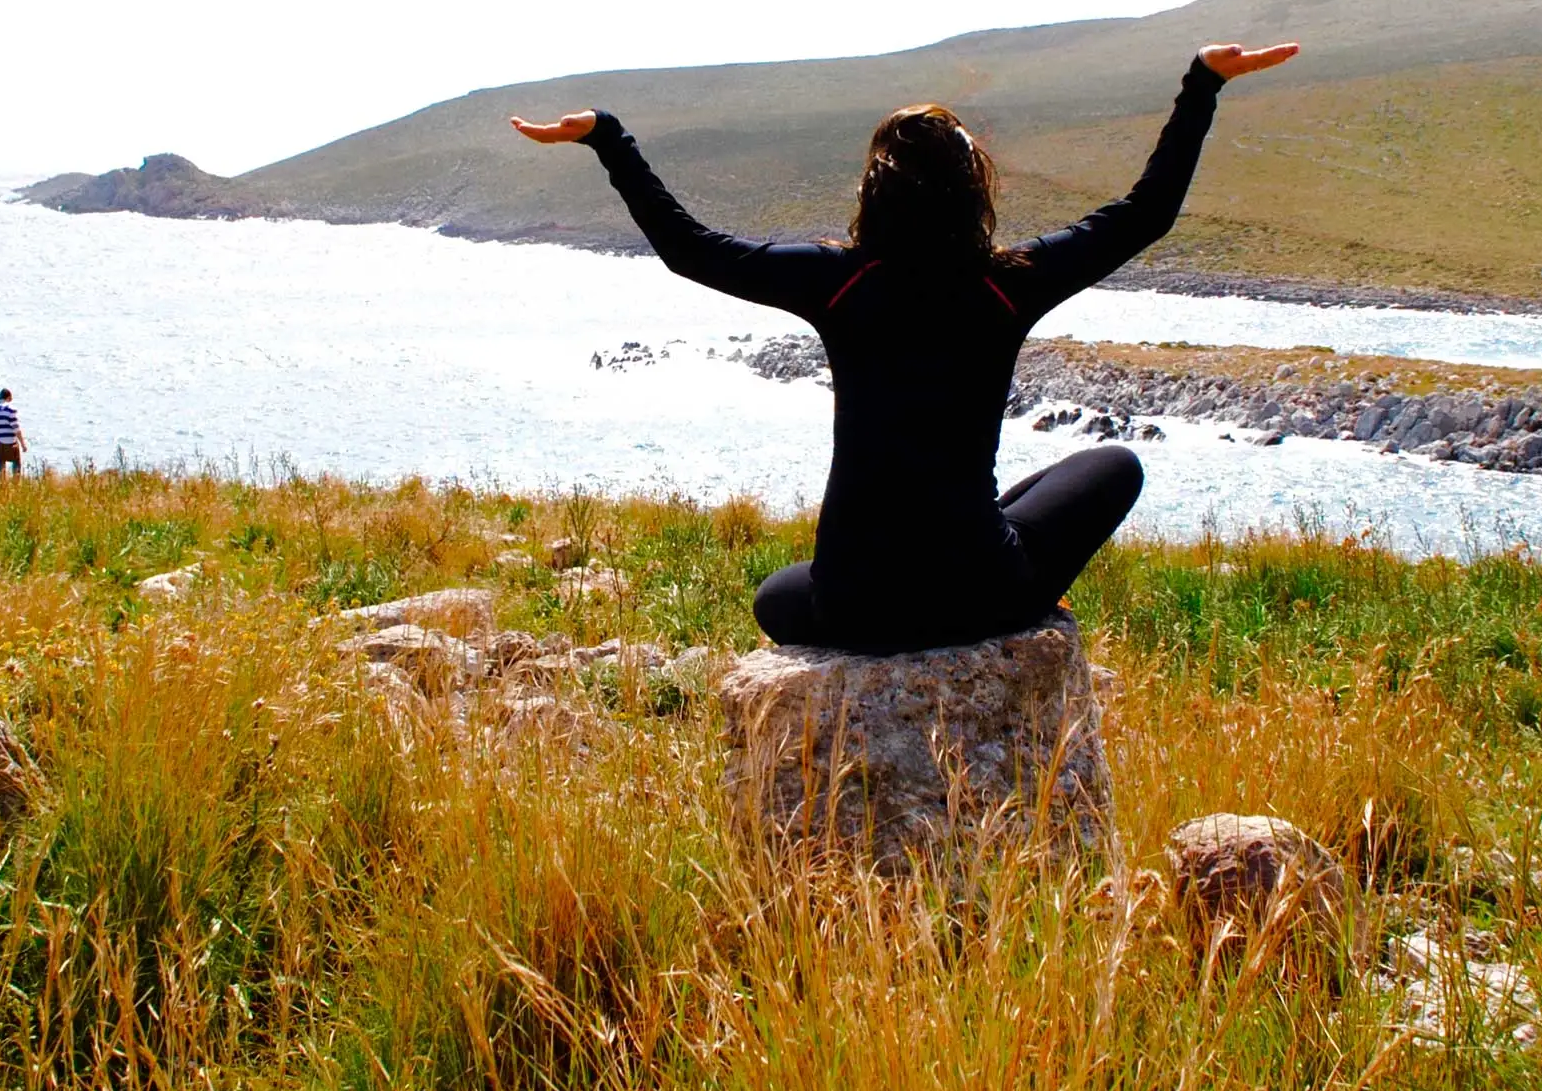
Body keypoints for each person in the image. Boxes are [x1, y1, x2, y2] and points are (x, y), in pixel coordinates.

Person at [512, 41, 1299, 655]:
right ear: (974, 191)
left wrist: (608, 138)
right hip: (982, 593)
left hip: (858, 603)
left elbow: (692, 248)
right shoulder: (1010, 282)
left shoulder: (838, 281)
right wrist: (1202, 82)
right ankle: (984, 553)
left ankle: (926, 558)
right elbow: (1144, 213)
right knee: (1114, 465)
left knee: (776, 597)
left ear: (874, 192)